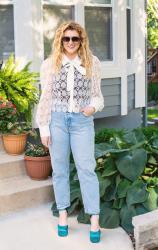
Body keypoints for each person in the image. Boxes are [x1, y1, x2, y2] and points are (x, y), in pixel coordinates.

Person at [36, 21, 104, 243]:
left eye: (75, 38)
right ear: (60, 40)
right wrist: (44, 128)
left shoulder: (92, 63)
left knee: (87, 169)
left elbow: (97, 95)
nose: (71, 42)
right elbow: (45, 99)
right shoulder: (49, 65)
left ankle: (94, 218)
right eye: (67, 38)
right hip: (56, 120)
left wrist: (93, 107)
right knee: (60, 170)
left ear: (81, 40)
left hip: (81, 122)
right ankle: (63, 215)